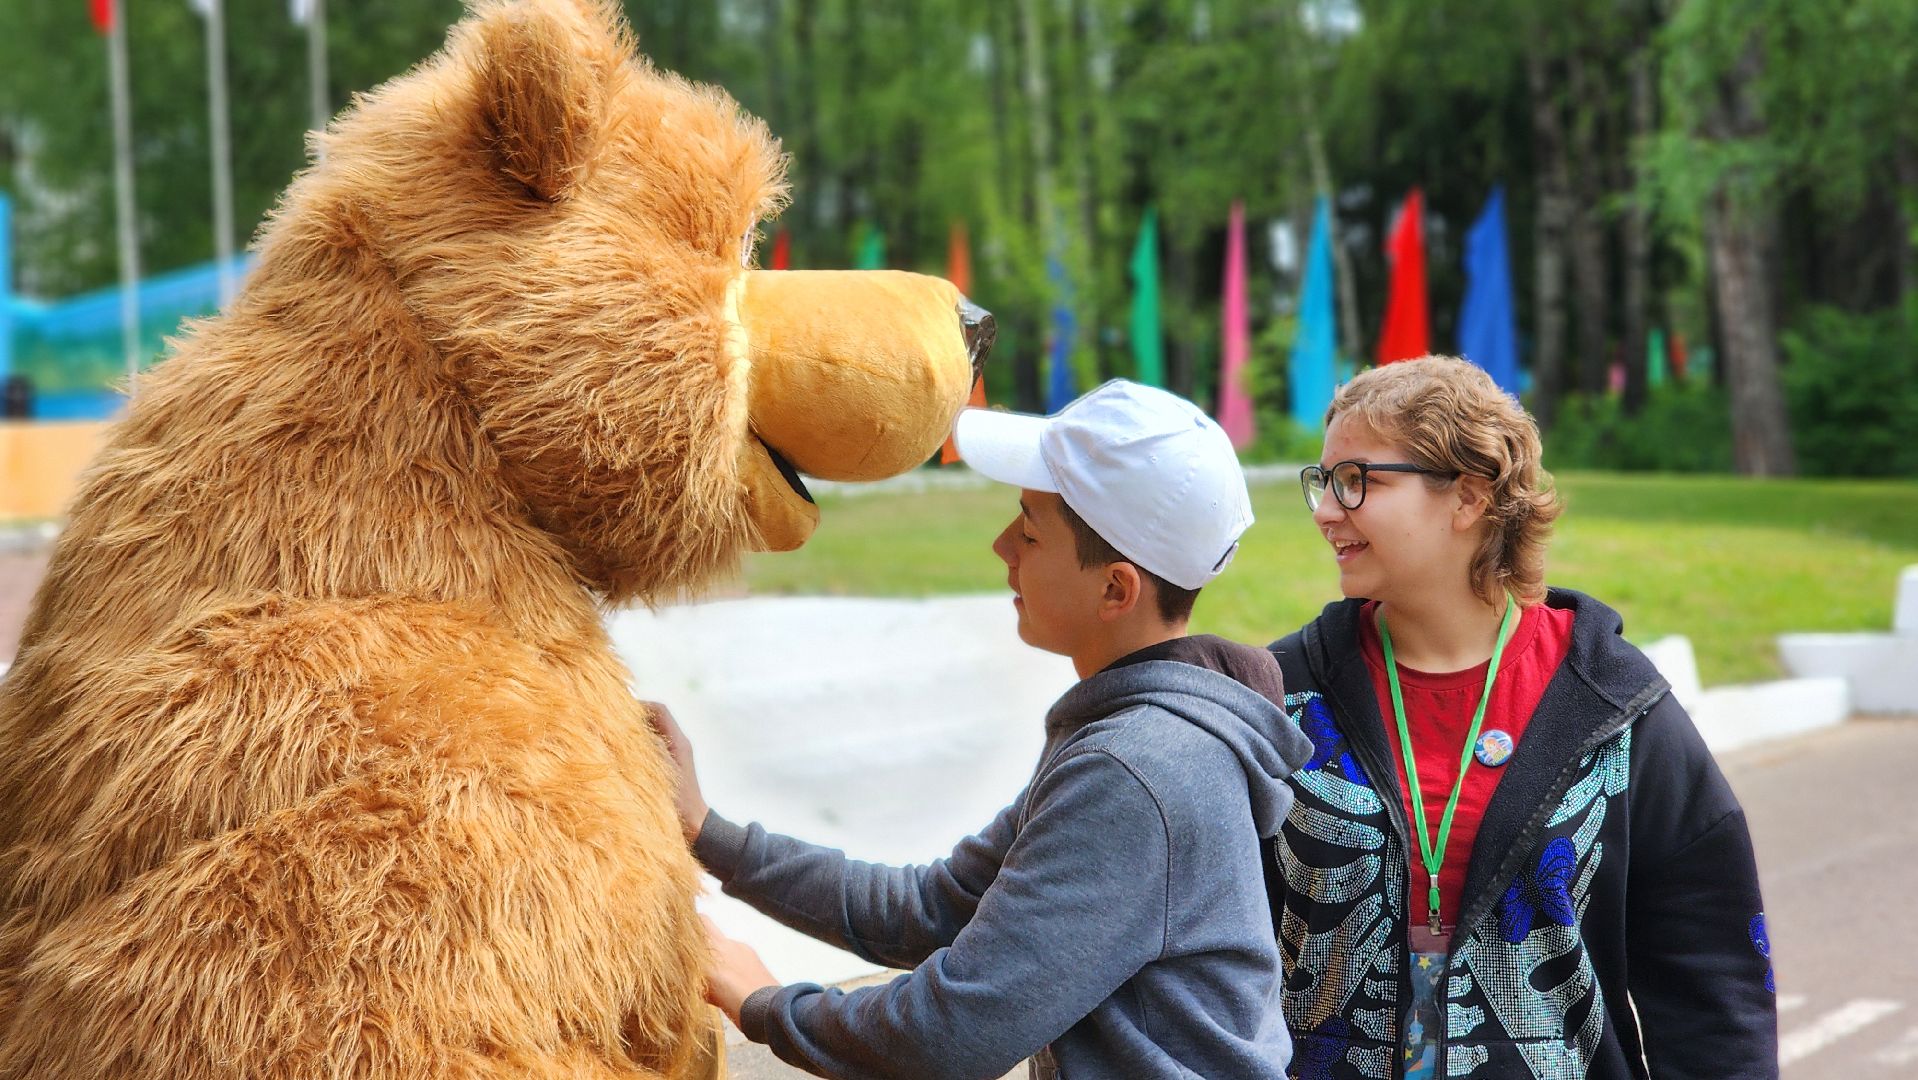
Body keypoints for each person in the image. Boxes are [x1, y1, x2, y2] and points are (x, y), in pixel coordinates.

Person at [650, 380, 1312, 1079]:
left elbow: (953, 1032)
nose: (1002, 546)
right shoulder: (1133, 733)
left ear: (1116, 590)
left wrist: (764, 1002)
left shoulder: (1138, 768)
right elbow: (932, 908)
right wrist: (708, 834)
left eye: (1029, 531)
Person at [1266, 356, 1777, 1079]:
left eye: (1358, 481)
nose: (1325, 510)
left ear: (1468, 496)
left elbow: (1713, 986)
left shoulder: (1614, 704)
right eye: (1323, 481)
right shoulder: (1282, 697)